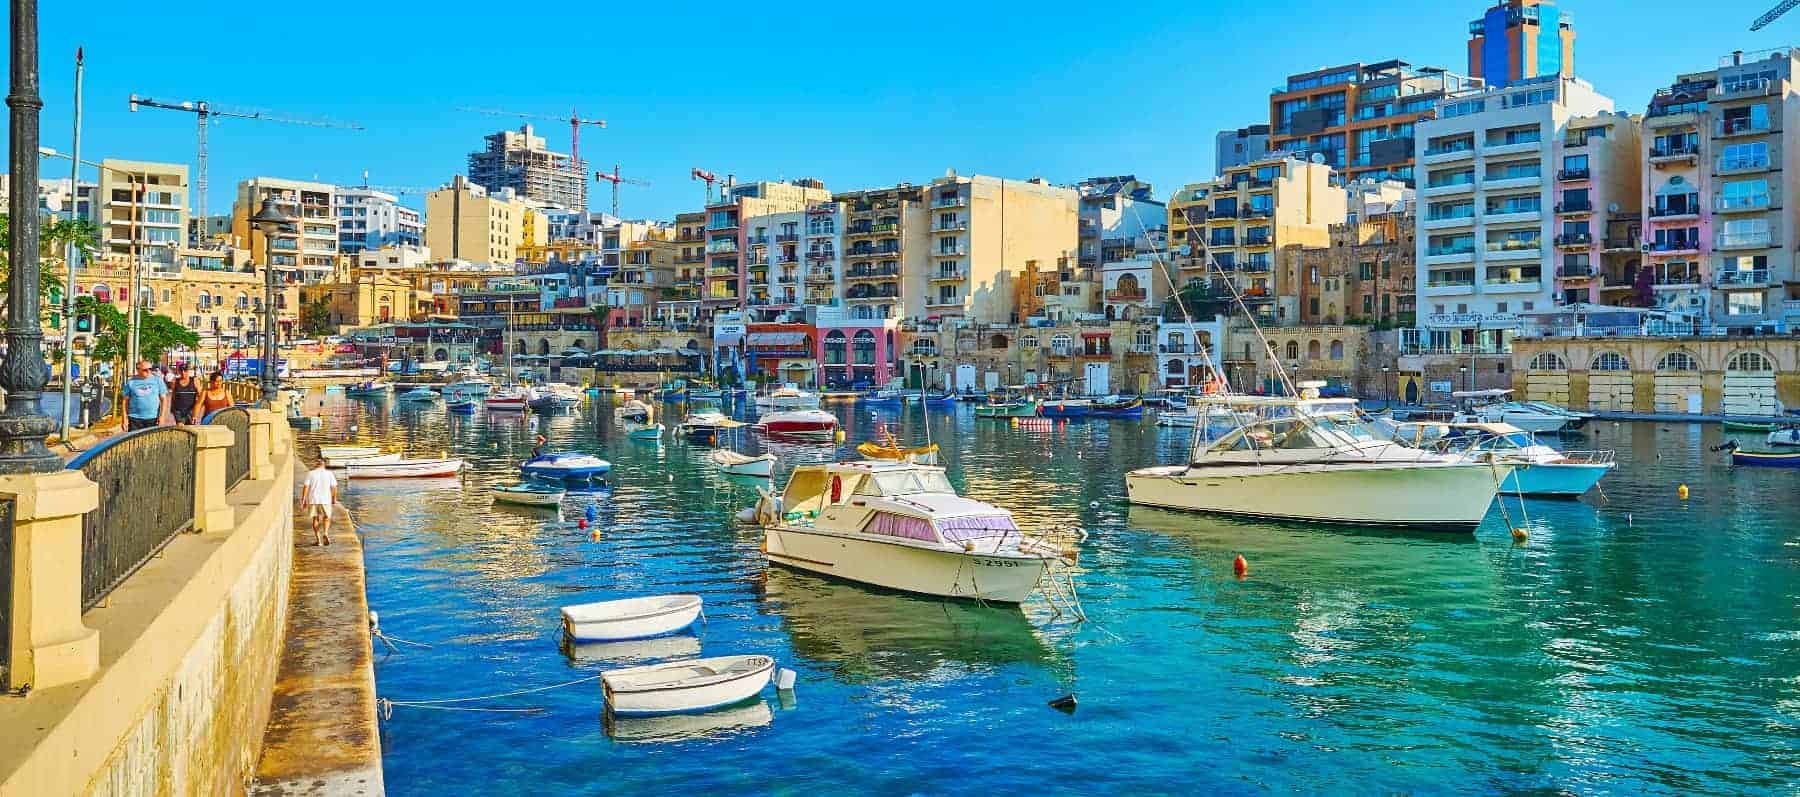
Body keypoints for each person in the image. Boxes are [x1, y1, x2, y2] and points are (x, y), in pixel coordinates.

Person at [298, 456, 337, 546]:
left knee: (315, 518)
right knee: (327, 518)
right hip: (326, 500)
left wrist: (303, 500)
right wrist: (334, 498)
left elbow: (306, 487)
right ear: (324, 465)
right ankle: (326, 533)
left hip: (313, 499)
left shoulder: (311, 473)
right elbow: (334, 487)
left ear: (317, 464)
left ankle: (318, 540)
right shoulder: (329, 474)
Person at [123, 360, 169, 431]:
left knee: (152, 441)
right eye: (145, 370)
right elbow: (125, 401)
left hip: (153, 418)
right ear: (138, 370)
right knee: (136, 441)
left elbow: (164, 399)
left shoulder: (158, 380)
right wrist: (124, 418)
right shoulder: (131, 382)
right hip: (134, 418)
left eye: (150, 369)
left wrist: (162, 416)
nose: (148, 371)